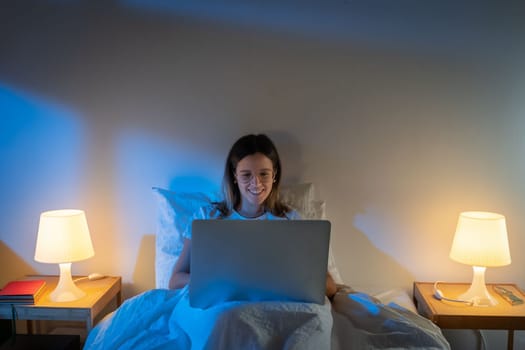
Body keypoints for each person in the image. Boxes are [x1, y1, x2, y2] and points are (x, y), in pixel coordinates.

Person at [168, 133, 337, 298]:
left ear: (274, 174)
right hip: (223, 304)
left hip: (275, 303)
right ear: (235, 175)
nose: (256, 183)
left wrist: (287, 282)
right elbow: (175, 280)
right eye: (246, 175)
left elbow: (329, 286)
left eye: (264, 174)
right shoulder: (206, 217)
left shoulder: (291, 220)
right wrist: (220, 282)